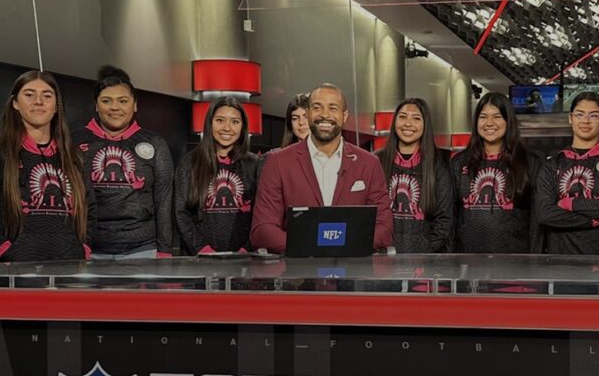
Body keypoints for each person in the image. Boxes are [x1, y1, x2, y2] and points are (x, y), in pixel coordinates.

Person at [0, 70, 94, 262]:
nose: (38, 101)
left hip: (68, 268)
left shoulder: (74, 157)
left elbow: (91, 210)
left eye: (47, 96)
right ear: (15, 103)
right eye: (29, 94)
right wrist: (2, 248)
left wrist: (84, 247)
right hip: (13, 271)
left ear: (56, 106)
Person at [250, 83, 393, 253]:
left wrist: (344, 247)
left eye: (333, 108)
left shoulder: (369, 163)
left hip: (353, 273)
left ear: (344, 115)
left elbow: (385, 228)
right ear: (308, 113)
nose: (325, 114)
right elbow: (262, 229)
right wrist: (311, 249)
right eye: (317, 107)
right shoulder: (278, 162)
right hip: (297, 274)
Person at [75, 65, 173, 259]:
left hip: (143, 249)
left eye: (123, 101)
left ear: (135, 105)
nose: (115, 108)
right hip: (89, 249)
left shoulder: (155, 143)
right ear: (96, 105)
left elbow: (163, 201)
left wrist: (165, 251)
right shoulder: (74, 142)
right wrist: (78, 246)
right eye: (106, 101)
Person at [535, 90, 599, 255]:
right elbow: (545, 214)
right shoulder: (552, 164)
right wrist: (595, 219)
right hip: (562, 262)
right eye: (580, 114)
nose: (586, 121)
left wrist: (568, 203)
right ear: (570, 118)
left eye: (593, 115)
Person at [451, 92, 539, 253]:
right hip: (467, 263)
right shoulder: (459, 162)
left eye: (497, 117)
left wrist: (534, 261)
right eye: (483, 117)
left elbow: (536, 219)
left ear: (508, 121)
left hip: (514, 263)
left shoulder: (529, 162)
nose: (489, 123)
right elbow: (450, 216)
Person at [174, 98, 262, 254]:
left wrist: (246, 250)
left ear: (243, 127)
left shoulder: (254, 164)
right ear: (210, 124)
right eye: (220, 120)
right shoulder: (189, 162)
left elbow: (262, 213)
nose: (227, 128)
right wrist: (203, 250)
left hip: (244, 259)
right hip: (199, 259)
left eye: (235, 122)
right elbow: (181, 213)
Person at [376, 97, 453, 253]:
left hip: (423, 265)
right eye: (402, 117)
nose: (408, 124)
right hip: (381, 262)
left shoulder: (437, 166)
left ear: (426, 125)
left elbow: (444, 220)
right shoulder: (375, 162)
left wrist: (424, 252)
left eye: (416, 118)